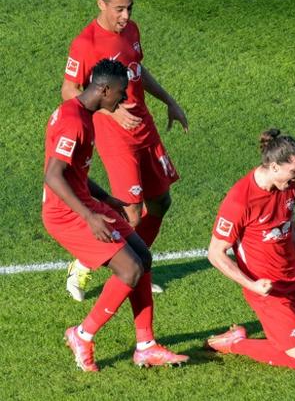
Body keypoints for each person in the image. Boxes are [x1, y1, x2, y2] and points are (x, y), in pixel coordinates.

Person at [43, 59, 188, 372]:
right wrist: (91, 216)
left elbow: (74, 173)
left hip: (84, 203)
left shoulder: (83, 115)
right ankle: (82, 334)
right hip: (66, 213)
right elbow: (53, 176)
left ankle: (146, 346)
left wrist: (107, 199)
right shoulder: (75, 122)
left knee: (143, 258)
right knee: (130, 269)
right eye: (121, 94)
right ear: (104, 89)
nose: (124, 99)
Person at [61, 0, 188, 301]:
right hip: (114, 136)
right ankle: (86, 263)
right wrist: (110, 112)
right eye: (118, 9)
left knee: (161, 202)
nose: (126, 16)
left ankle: (139, 263)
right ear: (101, 4)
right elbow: (68, 90)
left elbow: (136, 69)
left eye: (129, 8)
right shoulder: (85, 43)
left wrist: (169, 100)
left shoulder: (131, 30)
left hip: (144, 129)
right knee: (130, 211)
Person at [205, 129, 295, 370]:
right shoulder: (240, 201)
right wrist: (252, 285)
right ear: (275, 167)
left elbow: (290, 230)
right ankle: (236, 343)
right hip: (268, 291)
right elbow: (215, 254)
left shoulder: (287, 187)